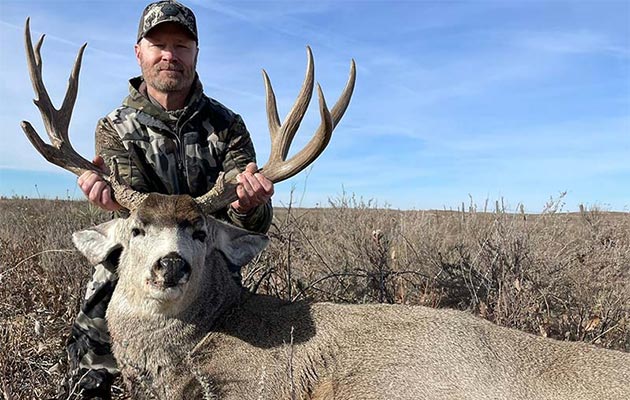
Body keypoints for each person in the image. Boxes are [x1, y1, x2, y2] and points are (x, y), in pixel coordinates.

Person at [63, 1, 274, 398]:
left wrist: (249, 205)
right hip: (138, 255)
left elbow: (250, 224)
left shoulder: (228, 126)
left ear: (195, 53)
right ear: (139, 51)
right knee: (91, 367)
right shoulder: (114, 128)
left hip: (203, 256)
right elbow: (131, 209)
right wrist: (106, 203)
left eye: (181, 45)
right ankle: (94, 376)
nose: (169, 55)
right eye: (158, 44)